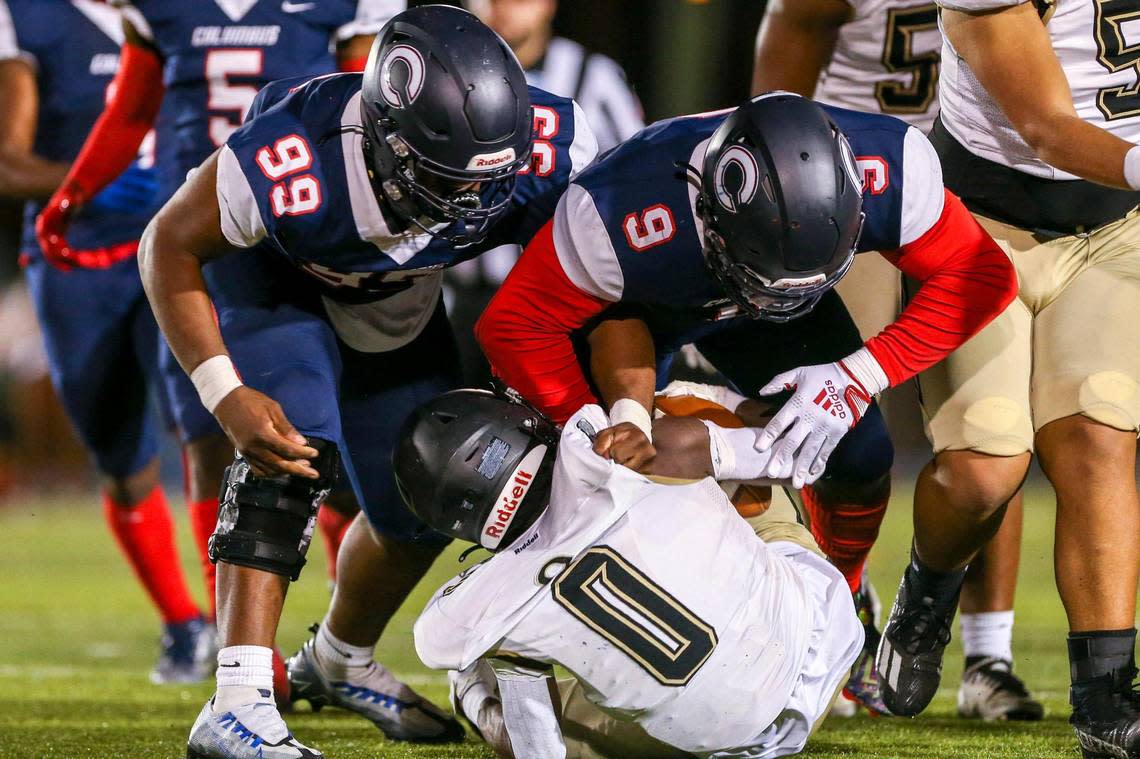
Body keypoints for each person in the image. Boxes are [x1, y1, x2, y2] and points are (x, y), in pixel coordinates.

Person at [137, 6, 598, 757]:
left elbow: (598, 265)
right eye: (444, 179)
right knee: (293, 445)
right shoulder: (295, 160)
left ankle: (339, 658)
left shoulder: (551, 142)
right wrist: (224, 390)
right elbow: (166, 245)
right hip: (282, 283)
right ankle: (239, 702)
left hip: (400, 303)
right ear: (385, 142)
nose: (470, 207)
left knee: (436, 485)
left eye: (487, 180)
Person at [33, 0, 402, 615]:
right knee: (207, 430)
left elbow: (369, 105)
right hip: (202, 235)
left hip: (307, 234)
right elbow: (131, 110)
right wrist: (72, 196)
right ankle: (240, 644)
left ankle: (339, 636)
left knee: (332, 439)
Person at [752, 0, 1041, 721]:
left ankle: (988, 655)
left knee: (992, 424)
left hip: (979, 193)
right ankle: (835, 606)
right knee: (836, 423)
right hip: (859, 193)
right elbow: (770, 114)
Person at [873, 0, 1140, 753]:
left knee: (1099, 428)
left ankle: (1107, 695)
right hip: (977, 223)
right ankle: (927, 588)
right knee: (985, 466)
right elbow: (1045, 125)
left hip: (1120, 228)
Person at [404, 387, 863, 759]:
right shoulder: (612, 449)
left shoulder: (472, 611)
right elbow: (796, 457)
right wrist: (722, 410)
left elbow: (538, 751)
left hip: (738, 742)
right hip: (827, 632)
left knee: (495, 664)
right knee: (680, 413)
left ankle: (472, 698)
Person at [0, 0, 212, 683]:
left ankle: (237, 631)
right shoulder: (26, 15)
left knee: (211, 428)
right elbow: (9, 163)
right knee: (119, 450)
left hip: (185, 251)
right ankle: (183, 621)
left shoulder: (188, 11)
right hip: (80, 261)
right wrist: (97, 184)